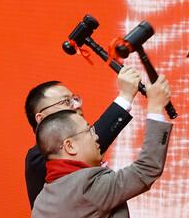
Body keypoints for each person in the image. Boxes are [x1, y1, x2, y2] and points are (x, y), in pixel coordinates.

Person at [32, 75, 173, 217]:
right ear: (69, 146)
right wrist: (155, 107)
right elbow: (147, 168)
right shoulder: (87, 185)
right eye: (89, 131)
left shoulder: (40, 203)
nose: (97, 136)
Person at [23, 66, 141, 208]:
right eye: (66, 102)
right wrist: (125, 96)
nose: (77, 105)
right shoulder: (37, 158)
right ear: (41, 118)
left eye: (75, 99)